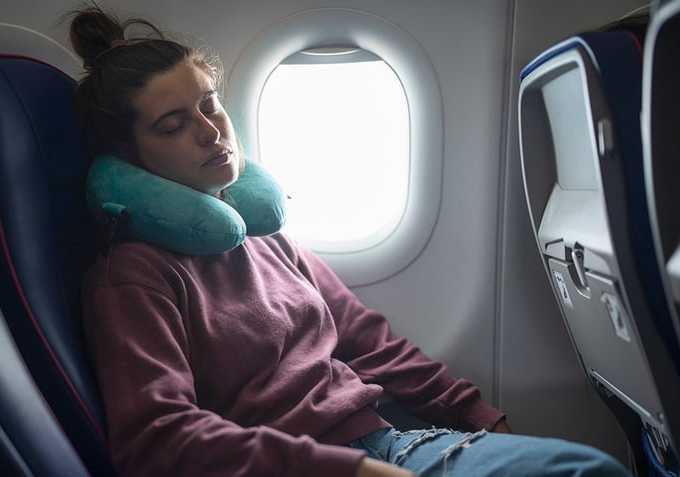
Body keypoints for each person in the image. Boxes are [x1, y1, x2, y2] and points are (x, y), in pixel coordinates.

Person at [67, 5, 632, 477]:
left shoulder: (263, 236)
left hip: (383, 441)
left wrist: (479, 416)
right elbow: (158, 438)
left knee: (583, 468)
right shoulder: (132, 278)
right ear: (128, 158)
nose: (212, 131)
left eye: (210, 104)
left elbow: (368, 340)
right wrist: (353, 472)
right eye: (172, 125)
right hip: (323, 466)